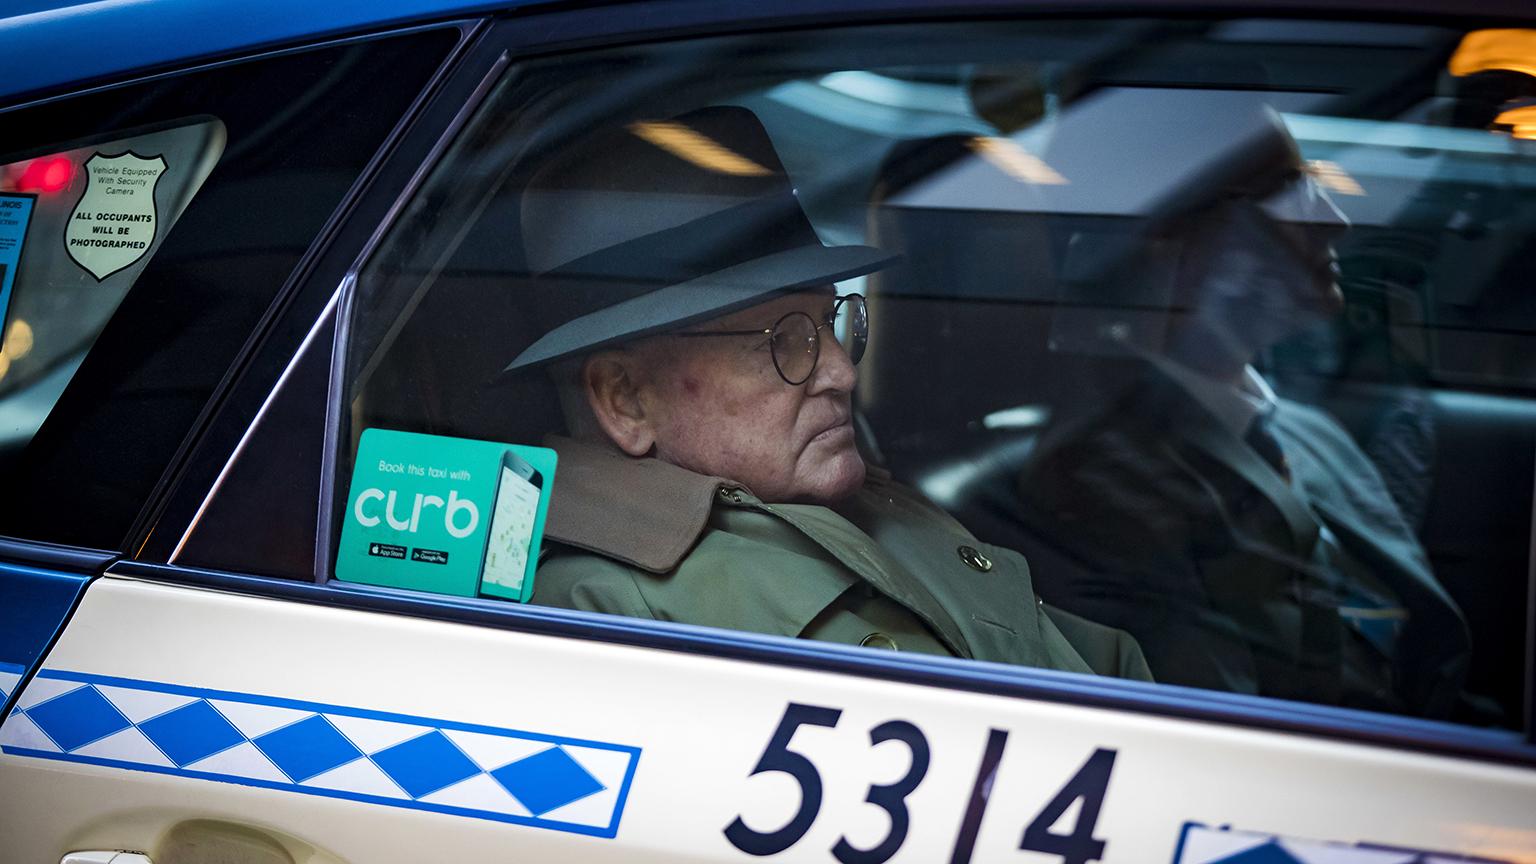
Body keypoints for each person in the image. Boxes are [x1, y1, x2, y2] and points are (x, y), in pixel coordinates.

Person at [507, 105, 1150, 680]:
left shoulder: (852, 502)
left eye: (828, 322)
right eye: (781, 339)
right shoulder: (603, 618)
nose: (841, 371)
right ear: (626, 399)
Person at [1009, 106, 1472, 716]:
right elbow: (1228, 734)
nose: (1332, 220)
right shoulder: (1103, 484)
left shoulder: (1306, 432)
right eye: (1286, 194)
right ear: (1166, 240)